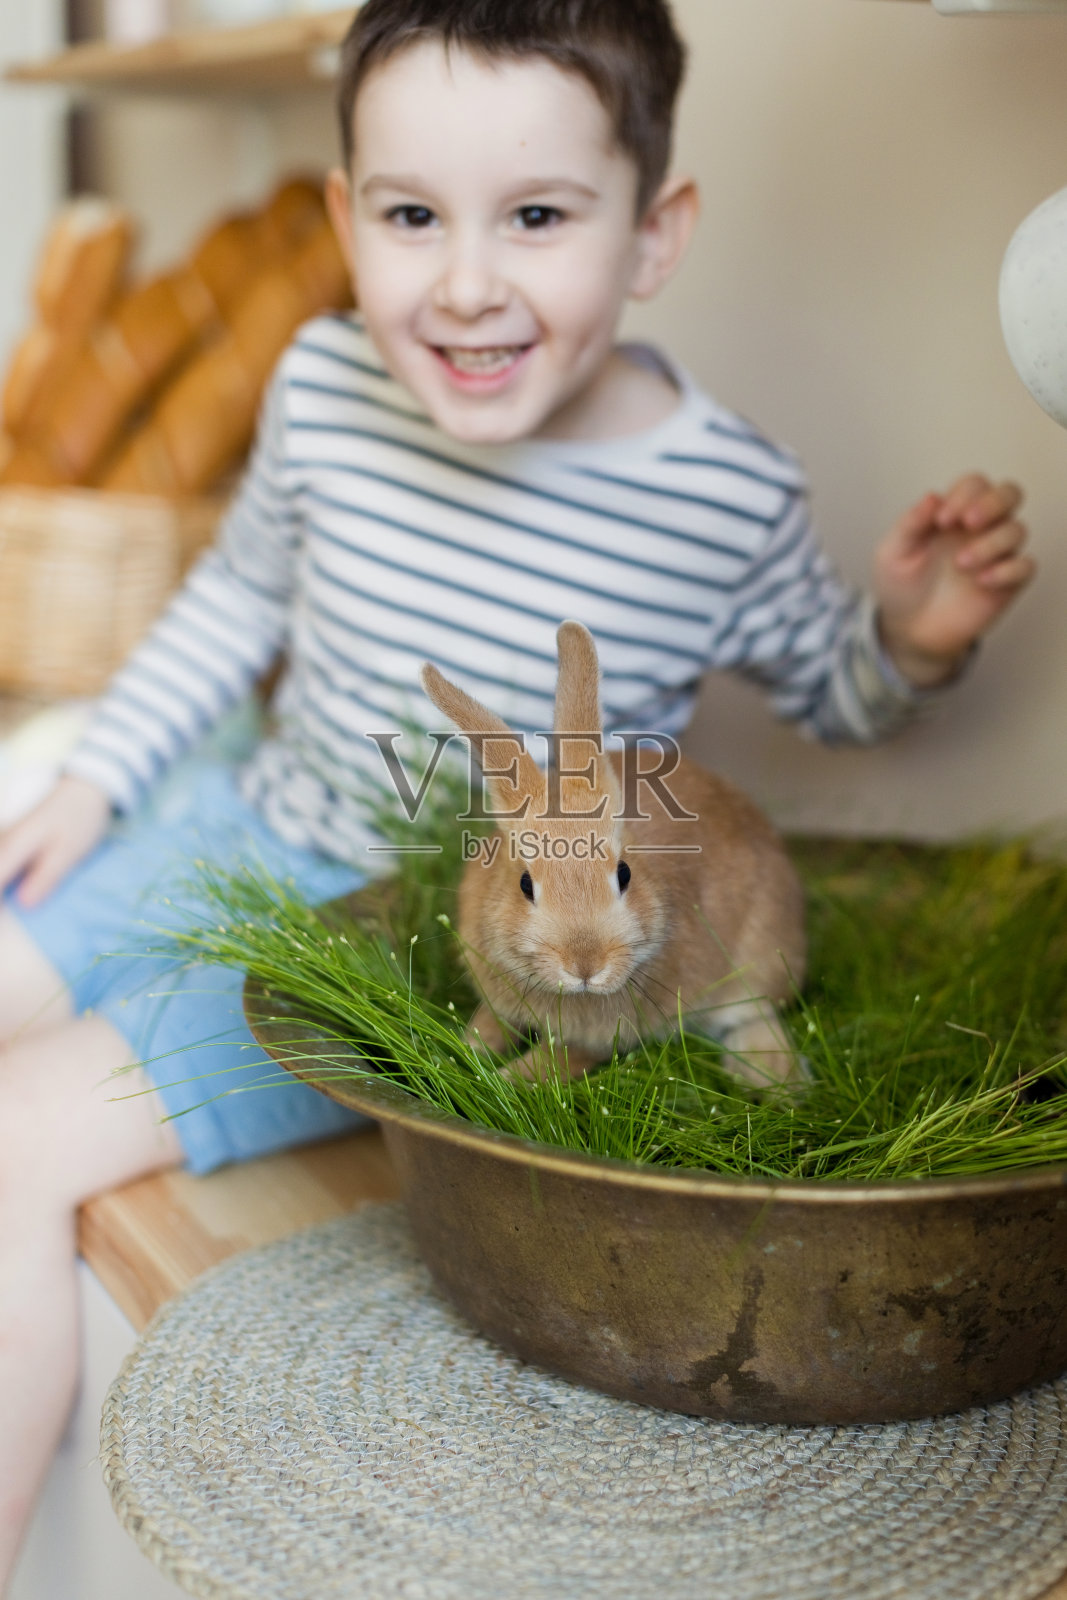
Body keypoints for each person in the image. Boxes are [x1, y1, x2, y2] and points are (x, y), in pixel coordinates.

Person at [0, 0, 1035, 1582]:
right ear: (347, 217)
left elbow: (831, 687)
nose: (467, 282)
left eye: (538, 217)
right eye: (413, 216)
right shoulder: (324, 388)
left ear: (651, 234)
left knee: (21, 1131)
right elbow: (231, 599)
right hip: (234, 825)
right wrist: (98, 780)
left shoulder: (721, 492)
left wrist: (911, 636)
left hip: (385, 936)